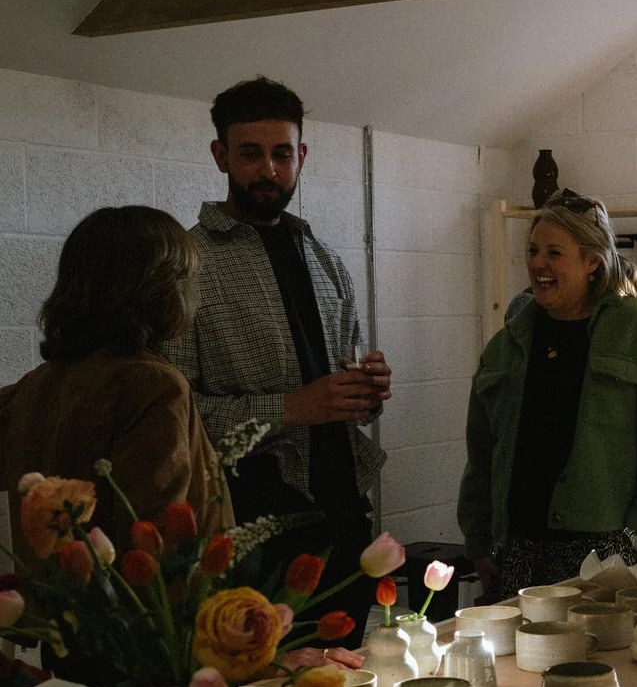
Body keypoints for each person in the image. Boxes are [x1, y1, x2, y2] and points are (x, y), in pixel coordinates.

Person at [162, 77, 390, 643]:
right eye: (251, 153)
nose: (268, 169)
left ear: (301, 156)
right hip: (253, 520)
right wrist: (290, 408)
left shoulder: (325, 258)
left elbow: (345, 393)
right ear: (220, 156)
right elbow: (174, 416)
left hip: (344, 511)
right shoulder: (186, 265)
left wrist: (367, 390)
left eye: (281, 153)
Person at [458, 190, 637, 601]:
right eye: (533, 250)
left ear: (592, 261)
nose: (539, 263)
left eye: (555, 253)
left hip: (611, 552)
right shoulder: (509, 343)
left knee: (612, 662)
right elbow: (482, 451)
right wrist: (479, 541)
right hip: (519, 547)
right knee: (525, 664)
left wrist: (633, 535)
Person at [1, 206, 227, 554]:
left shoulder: (36, 383)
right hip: (133, 607)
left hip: (51, 604)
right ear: (162, 289)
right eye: (189, 278)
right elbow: (155, 545)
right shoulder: (154, 385)